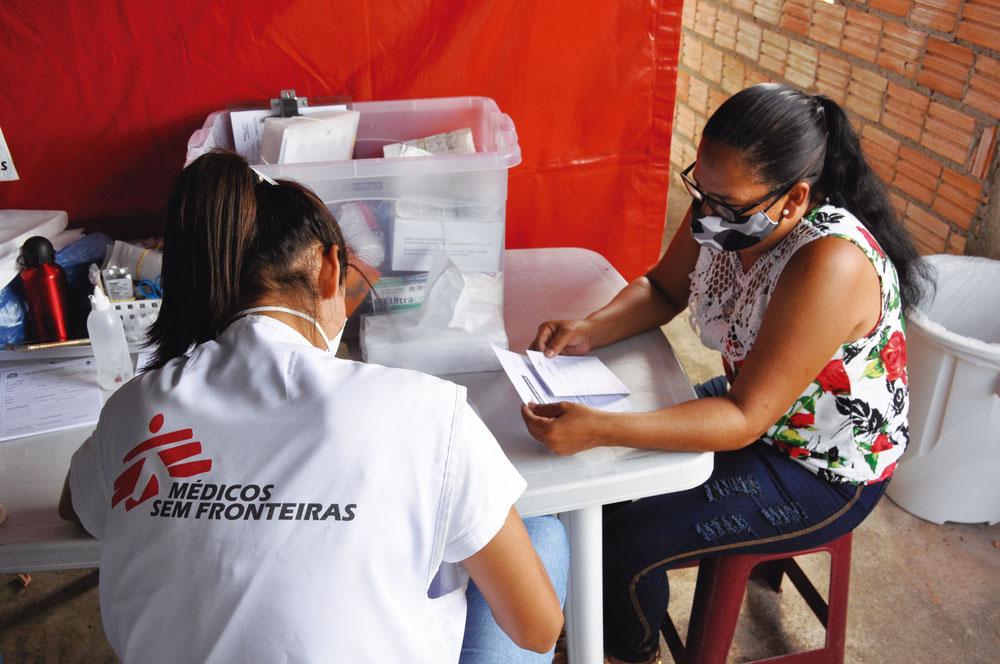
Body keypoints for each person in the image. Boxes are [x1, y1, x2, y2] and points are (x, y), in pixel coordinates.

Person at [59, 152, 566, 663]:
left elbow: (76, 505)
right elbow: (538, 629)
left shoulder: (136, 407)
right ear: (329, 270)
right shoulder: (427, 412)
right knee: (539, 536)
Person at [521, 83, 930, 663]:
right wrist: (590, 328)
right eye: (700, 190)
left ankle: (624, 651)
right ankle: (596, 621)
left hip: (822, 466)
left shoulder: (829, 265)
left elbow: (741, 419)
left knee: (623, 539)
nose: (706, 215)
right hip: (756, 406)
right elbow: (664, 288)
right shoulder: (728, 207)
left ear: (793, 201)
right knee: (599, 490)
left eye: (726, 204)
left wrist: (601, 428)